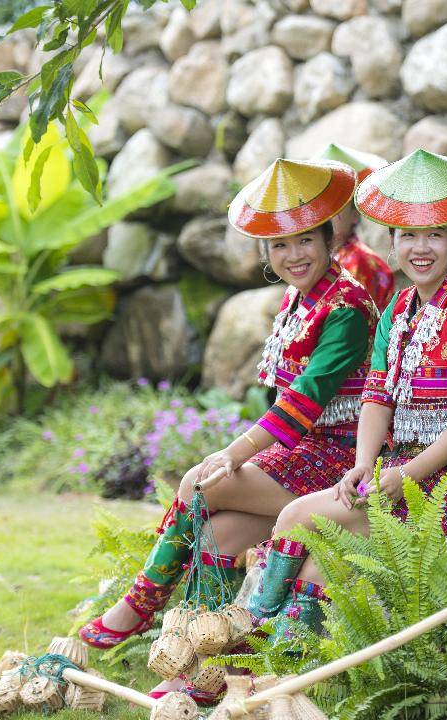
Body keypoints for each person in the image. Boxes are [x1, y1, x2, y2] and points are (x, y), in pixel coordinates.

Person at [78, 158, 379, 701]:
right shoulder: (298, 300)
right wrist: (241, 452)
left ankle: (141, 606)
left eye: (305, 240)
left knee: (200, 482)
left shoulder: (348, 307)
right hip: (302, 453)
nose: (294, 255)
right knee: (218, 535)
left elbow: (305, 402)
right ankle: (205, 659)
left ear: (329, 237)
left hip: (340, 459)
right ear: (265, 253)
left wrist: (235, 451)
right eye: (280, 246)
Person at [245, 149, 447, 635]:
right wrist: (364, 464)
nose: (420, 248)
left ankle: (246, 641)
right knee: (317, 567)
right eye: (408, 235)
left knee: (298, 514)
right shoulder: (399, 309)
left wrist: (405, 474)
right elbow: (377, 398)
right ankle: (279, 669)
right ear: (393, 241)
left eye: (435, 235)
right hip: (397, 466)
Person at [312, 143, 396, 309]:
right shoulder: (323, 257)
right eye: (318, 207)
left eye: (336, 207)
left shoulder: (359, 263)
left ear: (355, 213)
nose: (326, 217)